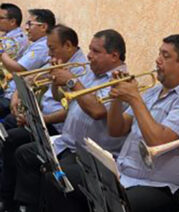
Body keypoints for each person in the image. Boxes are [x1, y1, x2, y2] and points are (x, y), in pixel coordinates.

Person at [14, 29, 128, 212]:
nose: (89, 56)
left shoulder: (120, 81)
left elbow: (97, 111)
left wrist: (72, 80)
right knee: (24, 154)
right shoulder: (91, 73)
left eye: (96, 51)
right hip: (66, 142)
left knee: (55, 178)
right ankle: (24, 206)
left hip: (86, 153)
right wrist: (55, 79)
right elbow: (61, 97)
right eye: (90, 50)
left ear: (114, 55)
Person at [107, 34, 179, 212]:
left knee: (115, 207)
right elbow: (116, 129)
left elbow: (159, 141)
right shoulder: (152, 92)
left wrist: (134, 98)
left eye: (165, 56)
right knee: (77, 183)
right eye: (159, 54)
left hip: (162, 187)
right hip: (124, 176)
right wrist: (117, 96)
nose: (157, 60)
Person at [0, 24, 88, 212]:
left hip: (58, 128)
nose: (49, 54)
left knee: (18, 144)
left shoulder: (81, 71)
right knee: (11, 138)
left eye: (52, 47)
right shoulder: (59, 60)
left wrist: (40, 120)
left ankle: (19, 203)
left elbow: (71, 108)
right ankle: (10, 199)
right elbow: (30, 80)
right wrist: (16, 97)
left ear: (68, 46)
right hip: (46, 120)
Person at [0, 9, 55, 118]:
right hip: (13, 90)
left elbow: (18, 69)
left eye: (30, 24)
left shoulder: (42, 46)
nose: (26, 28)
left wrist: (1, 51)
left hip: (13, 96)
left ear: (43, 27)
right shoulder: (37, 43)